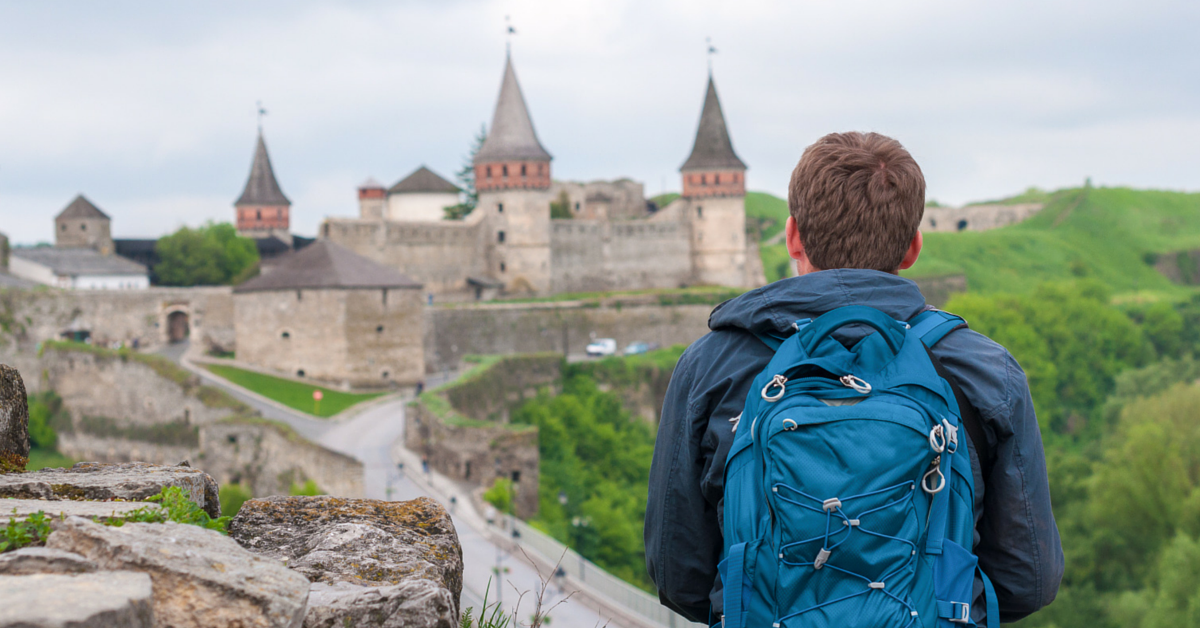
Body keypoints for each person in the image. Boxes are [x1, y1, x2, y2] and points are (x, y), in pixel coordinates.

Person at [645, 132, 1063, 626]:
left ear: (793, 236)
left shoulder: (711, 367)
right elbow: (1027, 579)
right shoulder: (985, 371)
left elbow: (678, 577)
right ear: (913, 248)